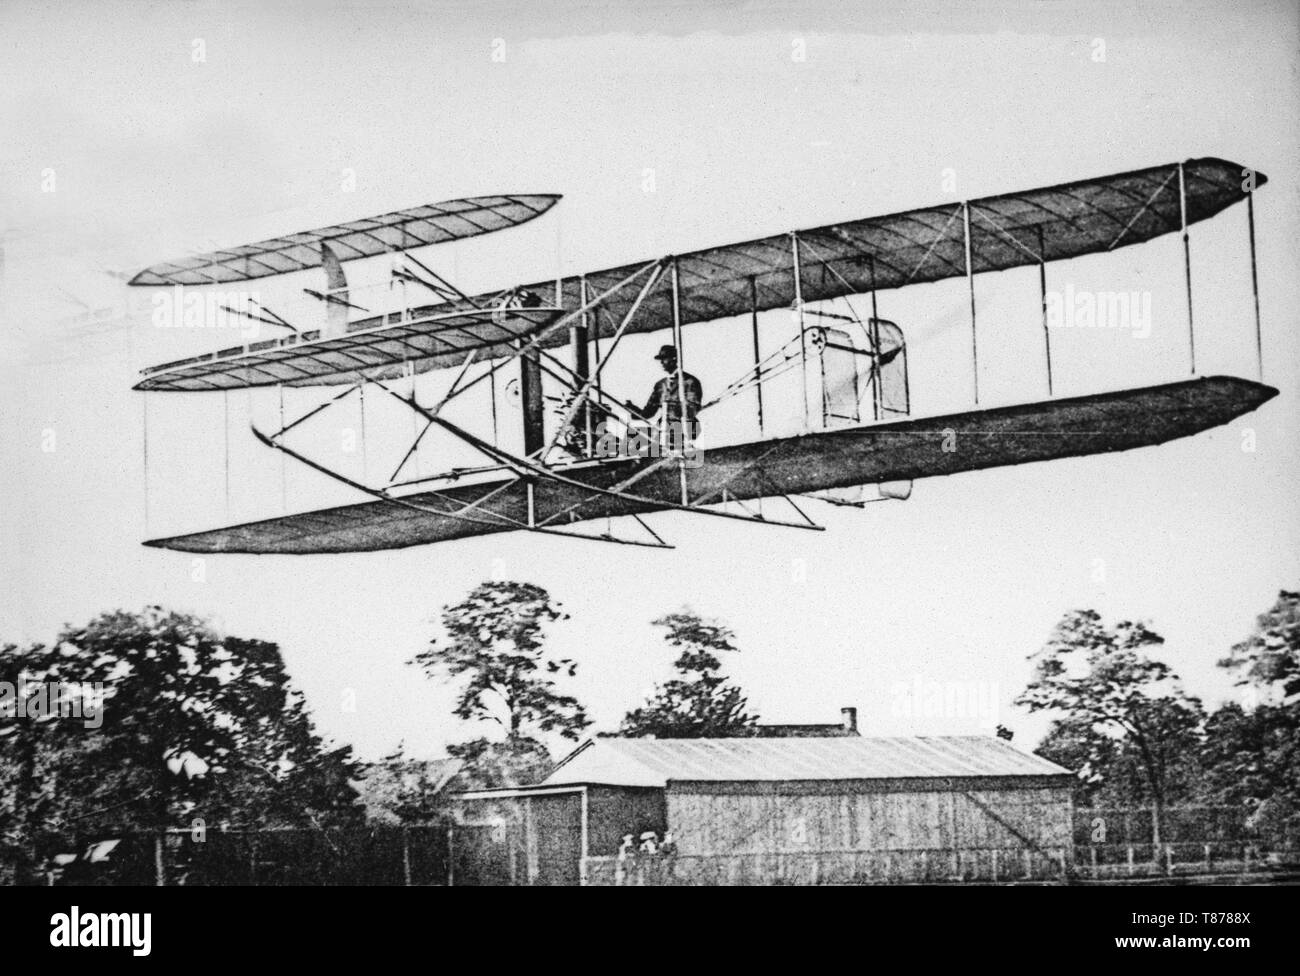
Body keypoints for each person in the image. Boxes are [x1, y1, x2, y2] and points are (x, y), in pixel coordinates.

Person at [629, 345, 702, 446]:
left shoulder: (690, 382)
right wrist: (631, 408)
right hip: (664, 428)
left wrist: (670, 409)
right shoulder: (660, 385)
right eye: (661, 360)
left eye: (664, 359)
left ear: (674, 359)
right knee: (632, 434)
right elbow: (648, 413)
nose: (662, 362)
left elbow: (691, 409)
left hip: (684, 428)